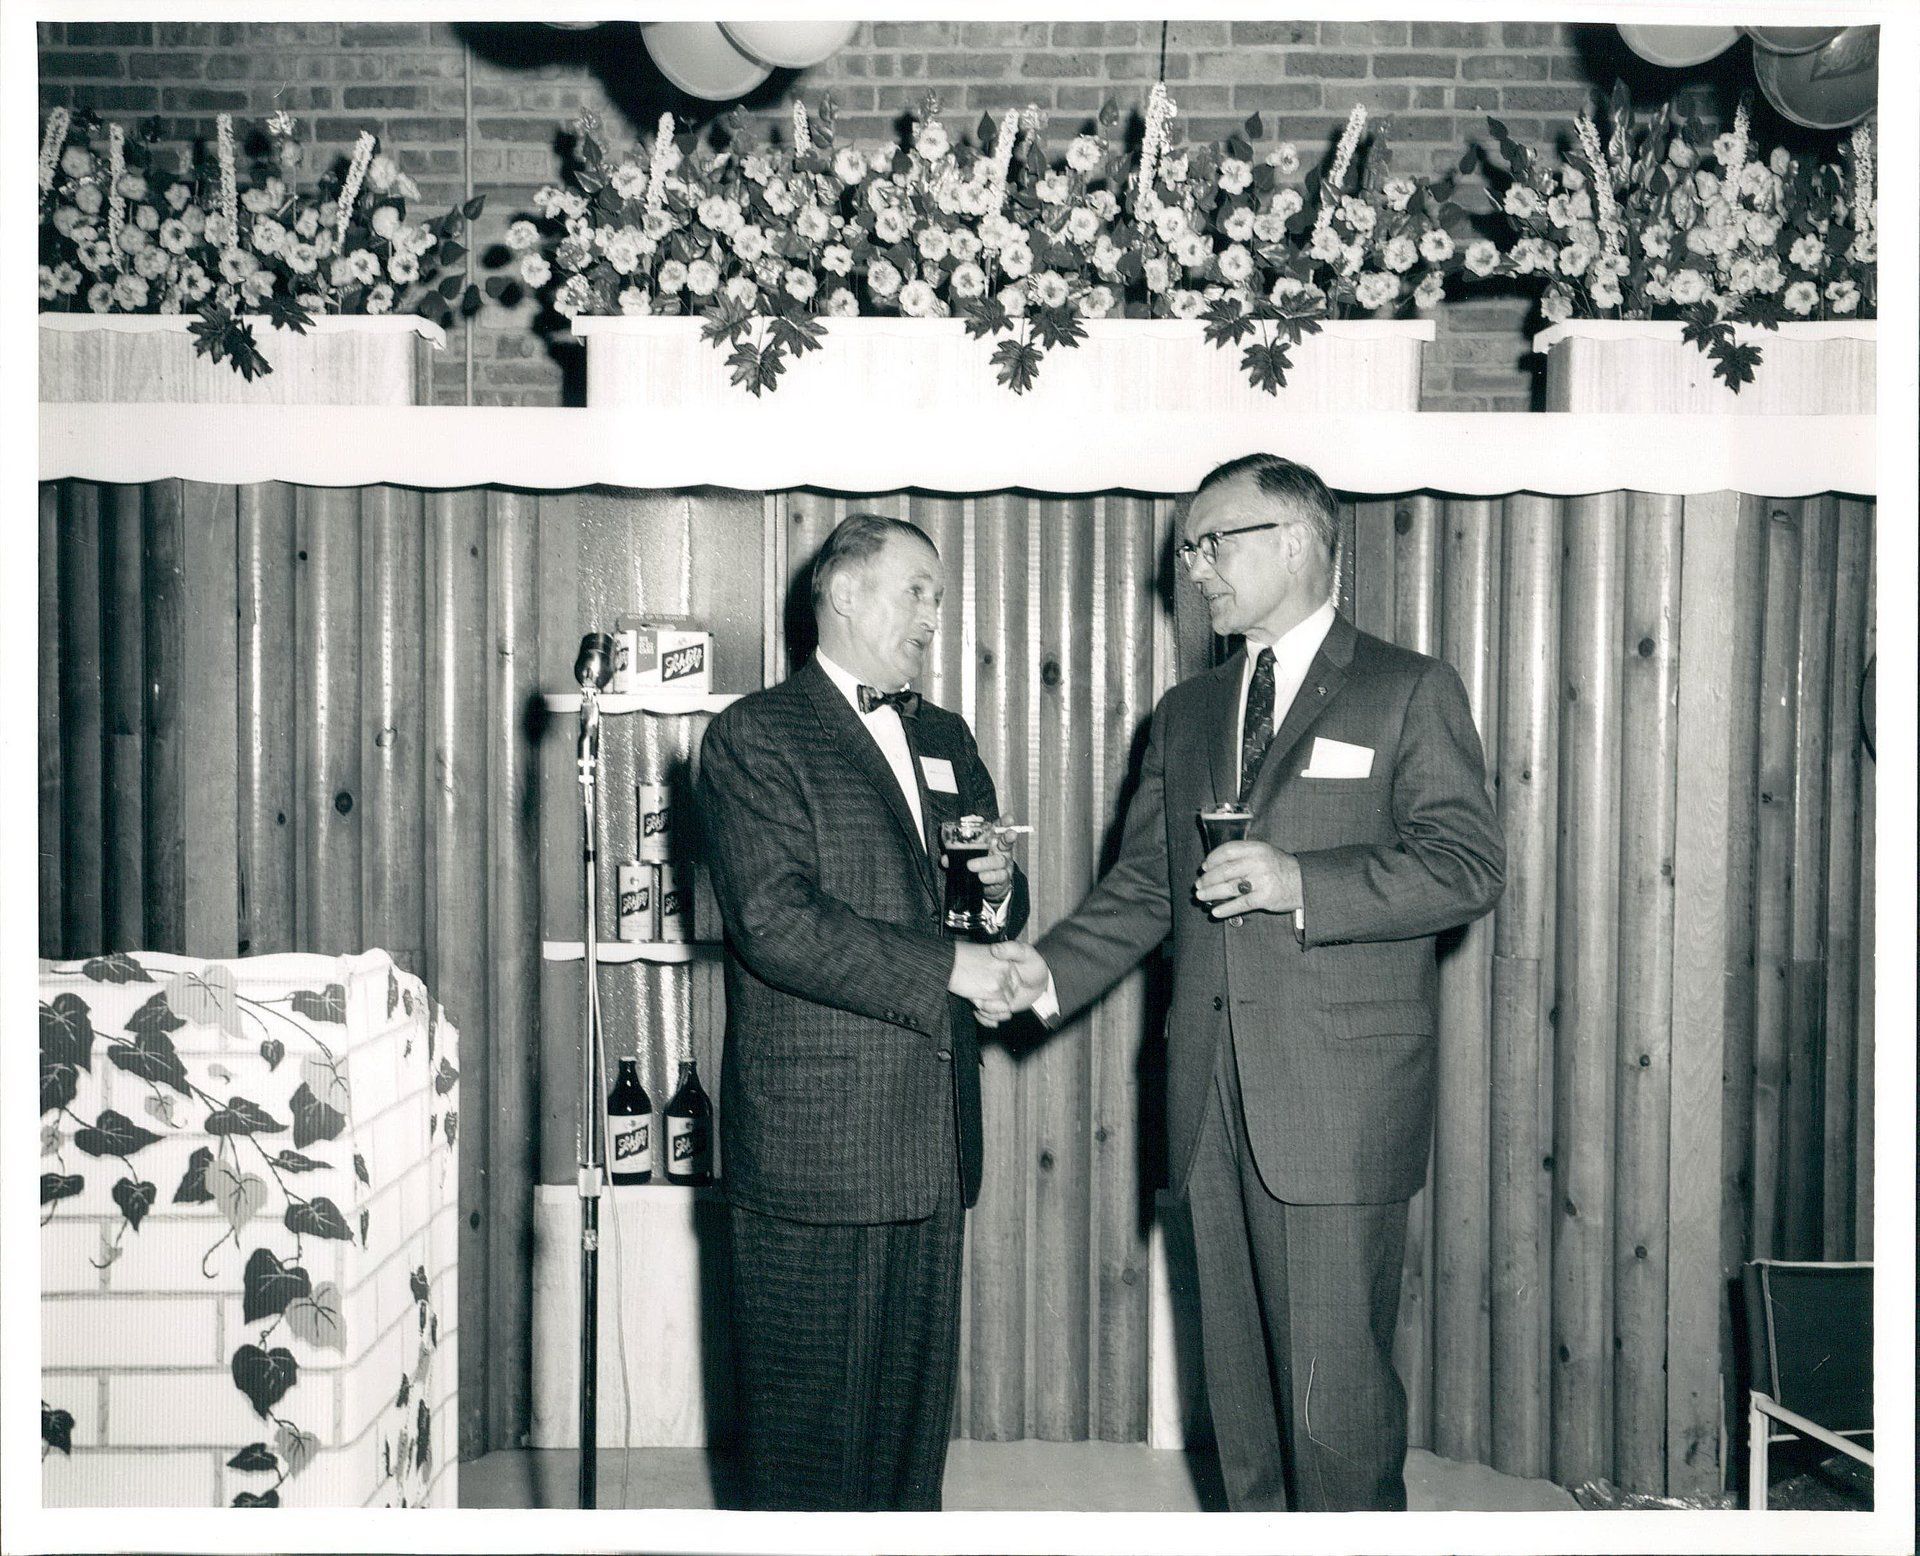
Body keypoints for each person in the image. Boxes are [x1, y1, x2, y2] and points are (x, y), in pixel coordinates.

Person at [994, 453, 1505, 1512]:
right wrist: (1043, 973)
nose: (1195, 570)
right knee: (1246, 1426)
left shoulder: (1407, 688)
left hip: (1337, 1106)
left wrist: (1299, 880)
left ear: (1297, 539)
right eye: (1189, 549)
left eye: (1211, 541)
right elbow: (1145, 885)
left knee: (1335, 1418)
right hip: (1209, 1106)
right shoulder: (1188, 711)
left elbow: (1466, 866)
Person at [696, 512, 1031, 1512]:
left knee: (906, 1450)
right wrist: (953, 972)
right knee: (808, 1453)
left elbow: (971, 907)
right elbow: (776, 920)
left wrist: (1002, 892)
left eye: (937, 591)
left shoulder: (942, 734)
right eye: (916, 589)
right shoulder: (756, 734)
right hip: (819, 1146)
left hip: (930, 1137)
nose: (936, 611)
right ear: (844, 594)